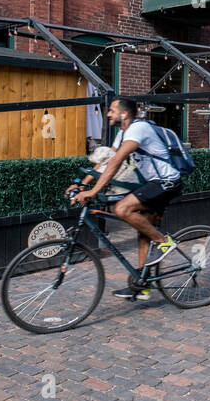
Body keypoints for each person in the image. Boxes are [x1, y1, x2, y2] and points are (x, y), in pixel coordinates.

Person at [71, 98, 182, 300]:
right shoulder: (122, 133)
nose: (108, 114)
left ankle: (164, 242)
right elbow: (106, 160)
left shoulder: (138, 129)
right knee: (143, 231)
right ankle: (143, 284)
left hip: (166, 182)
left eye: (112, 110)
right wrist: (81, 183)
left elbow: (117, 161)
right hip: (153, 183)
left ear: (124, 114)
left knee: (122, 209)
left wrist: (93, 191)